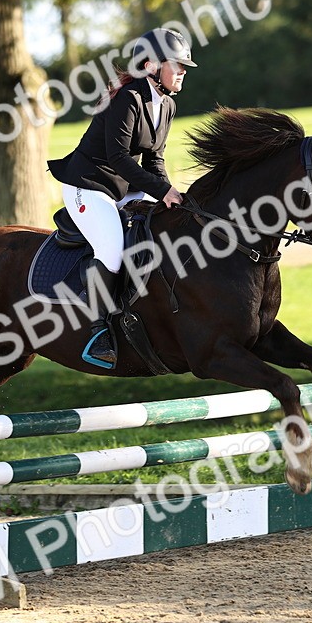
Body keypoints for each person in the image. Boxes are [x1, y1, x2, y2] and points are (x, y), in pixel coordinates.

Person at [47, 27, 196, 369]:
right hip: (88, 185)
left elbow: (154, 159)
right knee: (112, 248)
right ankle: (97, 331)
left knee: (165, 227)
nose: (183, 71)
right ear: (151, 66)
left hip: (125, 187)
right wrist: (161, 191)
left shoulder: (167, 105)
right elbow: (118, 158)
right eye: (177, 64)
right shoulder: (128, 97)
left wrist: (171, 196)